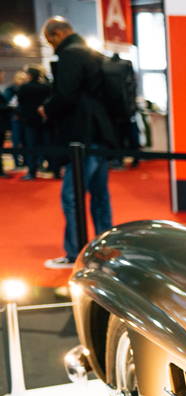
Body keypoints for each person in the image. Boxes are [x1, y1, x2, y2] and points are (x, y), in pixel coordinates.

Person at [39, 17, 117, 269]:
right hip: (100, 133)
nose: (51, 46)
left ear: (59, 33)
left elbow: (66, 94)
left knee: (71, 196)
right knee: (100, 195)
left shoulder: (70, 55)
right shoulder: (92, 53)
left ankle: (75, 253)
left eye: (50, 40)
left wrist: (46, 109)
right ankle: (105, 249)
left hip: (82, 135)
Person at [17, 67, 52, 180]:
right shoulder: (45, 87)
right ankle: (51, 167)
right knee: (46, 144)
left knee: (31, 145)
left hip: (29, 121)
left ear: (29, 75)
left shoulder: (25, 87)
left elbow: (20, 101)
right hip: (44, 120)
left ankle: (32, 171)